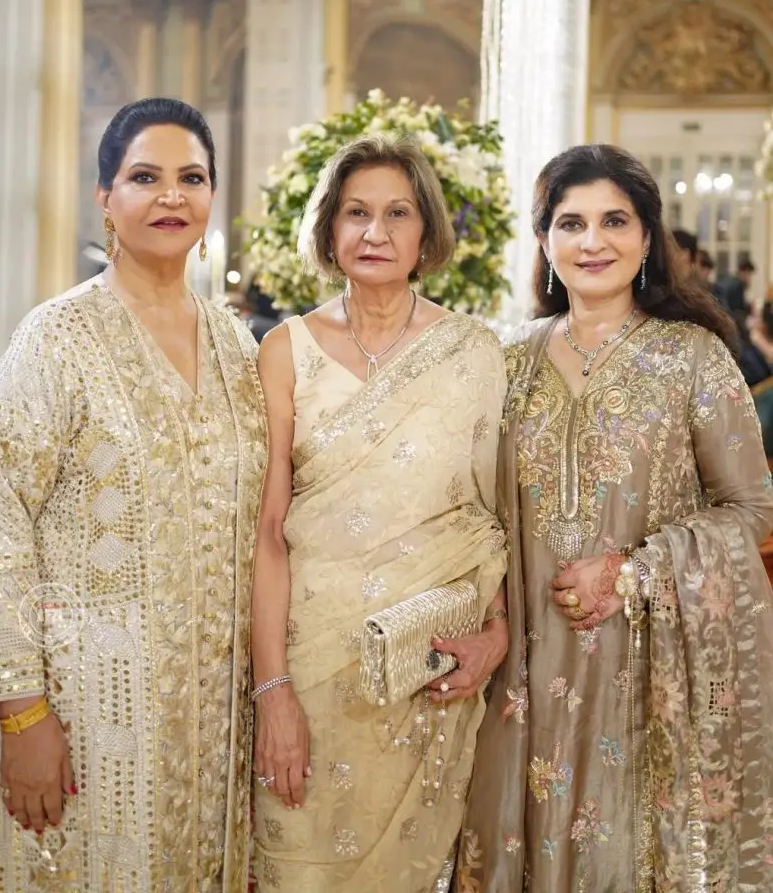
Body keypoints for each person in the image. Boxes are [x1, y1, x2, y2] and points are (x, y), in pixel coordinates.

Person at [0, 98, 267, 892]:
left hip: (213, 716)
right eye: (144, 177)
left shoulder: (237, 343)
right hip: (87, 706)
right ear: (105, 198)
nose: (171, 197)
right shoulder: (55, 338)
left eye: (191, 178)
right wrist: (21, 711)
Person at [457, 144, 773, 892]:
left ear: (645, 238)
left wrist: (636, 571)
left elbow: (752, 507)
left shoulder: (692, 357)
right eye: (570, 223)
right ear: (543, 242)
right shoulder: (503, 358)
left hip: (639, 669)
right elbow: (468, 507)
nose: (592, 241)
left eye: (614, 221)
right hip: (518, 670)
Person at [251, 134, 509, 892]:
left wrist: (494, 639)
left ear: (426, 232)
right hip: (311, 671)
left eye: (398, 213)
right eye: (356, 213)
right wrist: (274, 694)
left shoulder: (473, 352)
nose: (376, 232)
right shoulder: (284, 349)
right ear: (329, 230)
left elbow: (492, 526)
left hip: (429, 673)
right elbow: (268, 534)